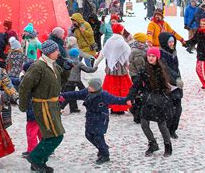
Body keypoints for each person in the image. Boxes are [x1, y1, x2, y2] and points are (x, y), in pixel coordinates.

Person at [18, 40, 71, 172]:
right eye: (56, 50)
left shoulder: (53, 65)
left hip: (53, 105)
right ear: (49, 52)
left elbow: (60, 83)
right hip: (43, 105)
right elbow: (25, 86)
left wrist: (66, 70)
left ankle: (39, 161)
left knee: (50, 136)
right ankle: (35, 158)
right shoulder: (38, 66)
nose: (59, 53)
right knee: (56, 136)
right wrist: (23, 105)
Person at [60, 78, 128, 164]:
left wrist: (127, 101)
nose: (89, 87)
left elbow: (116, 100)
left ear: (96, 87)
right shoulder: (86, 92)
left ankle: (105, 155)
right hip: (90, 118)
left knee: (98, 136)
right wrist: (63, 95)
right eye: (89, 85)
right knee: (88, 135)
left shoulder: (104, 95)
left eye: (91, 86)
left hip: (101, 118)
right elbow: (75, 94)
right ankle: (102, 148)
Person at [127, 47, 173, 157]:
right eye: (149, 56)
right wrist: (130, 97)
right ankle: (153, 144)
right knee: (144, 124)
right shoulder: (144, 70)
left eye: (153, 56)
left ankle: (168, 146)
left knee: (162, 125)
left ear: (157, 57)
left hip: (159, 100)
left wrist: (167, 96)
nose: (150, 58)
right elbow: (136, 85)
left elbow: (169, 83)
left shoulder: (162, 69)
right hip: (147, 99)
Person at [96, 23, 132, 114]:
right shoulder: (122, 42)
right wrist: (127, 63)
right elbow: (128, 52)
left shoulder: (109, 41)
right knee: (122, 87)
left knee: (110, 87)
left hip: (110, 68)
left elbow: (103, 53)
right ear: (120, 31)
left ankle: (111, 105)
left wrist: (96, 64)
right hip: (120, 68)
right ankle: (120, 106)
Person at [158, 33, 183, 139]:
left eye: (173, 41)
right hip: (168, 84)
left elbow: (176, 68)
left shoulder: (173, 52)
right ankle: (168, 129)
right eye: (169, 42)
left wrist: (179, 78)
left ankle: (173, 129)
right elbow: (166, 70)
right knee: (170, 110)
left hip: (177, 84)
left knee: (178, 109)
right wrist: (176, 79)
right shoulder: (161, 54)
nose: (172, 44)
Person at [60, 48, 98, 113]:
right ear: (77, 55)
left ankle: (73, 108)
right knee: (81, 93)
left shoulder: (66, 62)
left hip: (68, 81)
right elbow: (87, 70)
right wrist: (94, 68)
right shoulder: (79, 63)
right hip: (76, 81)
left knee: (71, 94)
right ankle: (60, 107)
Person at [128, 33, 148, 123]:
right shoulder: (138, 52)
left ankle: (135, 110)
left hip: (134, 74)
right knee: (140, 95)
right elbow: (140, 66)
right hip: (138, 75)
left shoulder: (136, 48)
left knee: (138, 94)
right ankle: (137, 115)